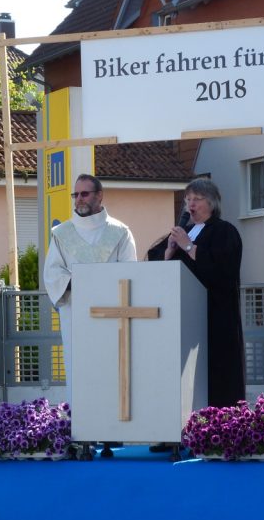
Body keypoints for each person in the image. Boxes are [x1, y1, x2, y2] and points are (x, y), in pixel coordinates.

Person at [148, 177, 246, 409]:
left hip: (215, 317)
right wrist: (170, 251)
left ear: (211, 204)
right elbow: (153, 262)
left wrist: (190, 247)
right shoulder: (182, 233)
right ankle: (175, 431)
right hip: (179, 316)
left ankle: (217, 431)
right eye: (188, 199)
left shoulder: (224, 231)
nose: (190, 204)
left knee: (214, 375)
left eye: (197, 199)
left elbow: (224, 271)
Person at [43, 174, 137, 404]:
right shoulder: (62, 234)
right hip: (77, 313)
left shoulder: (120, 231)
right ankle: (81, 427)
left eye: (84, 194)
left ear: (100, 195)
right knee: (80, 366)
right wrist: (81, 282)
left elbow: (131, 271)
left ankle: (116, 425)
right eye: (76, 195)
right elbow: (52, 273)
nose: (79, 200)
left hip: (113, 313)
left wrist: (101, 282)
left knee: (112, 368)